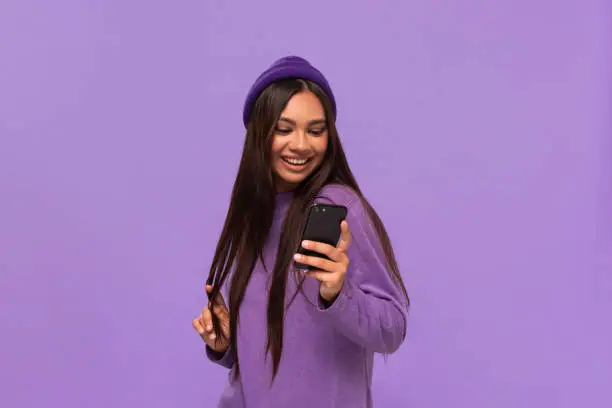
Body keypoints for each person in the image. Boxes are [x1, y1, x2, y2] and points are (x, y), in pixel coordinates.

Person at [192, 56, 410, 408]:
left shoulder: (341, 208)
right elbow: (267, 358)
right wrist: (224, 345)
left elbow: (392, 329)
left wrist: (338, 293)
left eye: (315, 130)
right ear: (260, 133)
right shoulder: (254, 216)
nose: (301, 145)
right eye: (284, 128)